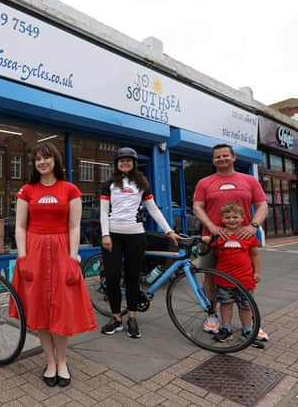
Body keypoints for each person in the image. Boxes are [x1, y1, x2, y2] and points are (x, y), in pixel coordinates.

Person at [12, 142, 96, 388]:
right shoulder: (27, 190)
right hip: (35, 251)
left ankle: (62, 361)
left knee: (60, 308)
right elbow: (20, 226)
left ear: (55, 161)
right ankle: (49, 361)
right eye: (38, 158)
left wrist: (73, 257)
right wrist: (23, 257)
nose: (42, 162)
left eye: (46, 158)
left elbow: (74, 226)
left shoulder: (70, 190)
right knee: (39, 309)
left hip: (61, 251)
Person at [100, 147, 182, 338]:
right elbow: (104, 211)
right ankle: (116, 318)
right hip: (113, 235)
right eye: (121, 161)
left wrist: (169, 231)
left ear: (134, 163)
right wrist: (105, 234)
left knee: (132, 278)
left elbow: (153, 209)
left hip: (136, 235)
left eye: (129, 160)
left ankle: (132, 318)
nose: (125, 163)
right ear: (117, 164)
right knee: (112, 277)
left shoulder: (142, 184)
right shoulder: (109, 184)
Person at [192, 143, 268, 339]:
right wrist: (213, 227)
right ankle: (212, 316)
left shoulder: (249, 181)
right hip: (213, 240)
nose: (221, 159)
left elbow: (262, 206)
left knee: (246, 280)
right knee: (210, 278)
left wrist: (253, 226)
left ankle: (250, 323)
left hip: (243, 241)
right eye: (217, 157)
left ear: (233, 158)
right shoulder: (204, 182)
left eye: (225, 155)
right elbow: (197, 207)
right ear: (213, 160)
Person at [202, 203, 261, 343]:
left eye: (235, 217)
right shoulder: (219, 236)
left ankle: (247, 330)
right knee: (225, 304)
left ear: (242, 218)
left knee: (246, 306)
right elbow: (207, 241)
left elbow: (255, 255)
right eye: (227, 217)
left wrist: (257, 272)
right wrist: (204, 239)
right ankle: (226, 329)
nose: (232, 220)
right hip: (224, 280)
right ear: (222, 219)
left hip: (245, 280)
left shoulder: (248, 236)